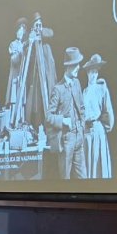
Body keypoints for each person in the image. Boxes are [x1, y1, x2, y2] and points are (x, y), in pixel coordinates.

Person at [47, 47, 88, 179]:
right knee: (65, 179)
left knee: (83, 179)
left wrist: (82, 127)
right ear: (68, 67)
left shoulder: (77, 83)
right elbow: (48, 116)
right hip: (66, 140)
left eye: (78, 64)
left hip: (79, 138)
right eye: (76, 65)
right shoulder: (57, 89)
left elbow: (82, 108)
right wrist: (63, 120)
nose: (78, 67)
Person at [82, 53, 115, 178]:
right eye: (92, 72)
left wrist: (104, 126)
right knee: (88, 162)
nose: (94, 75)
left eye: (96, 72)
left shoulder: (101, 88)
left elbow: (108, 110)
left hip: (97, 130)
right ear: (87, 73)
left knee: (98, 161)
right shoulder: (84, 91)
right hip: (86, 132)